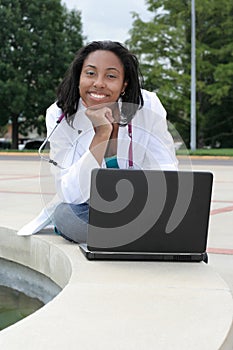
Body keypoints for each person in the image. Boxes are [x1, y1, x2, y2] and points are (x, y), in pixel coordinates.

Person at [17, 40, 178, 242]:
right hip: (88, 206)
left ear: (124, 84)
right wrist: (101, 134)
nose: (99, 83)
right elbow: (72, 194)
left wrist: (148, 207)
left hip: (141, 204)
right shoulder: (59, 115)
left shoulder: (149, 106)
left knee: (181, 211)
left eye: (111, 76)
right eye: (90, 73)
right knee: (66, 215)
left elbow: (166, 168)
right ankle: (135, 238)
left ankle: (130, 235)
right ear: (79, 77)